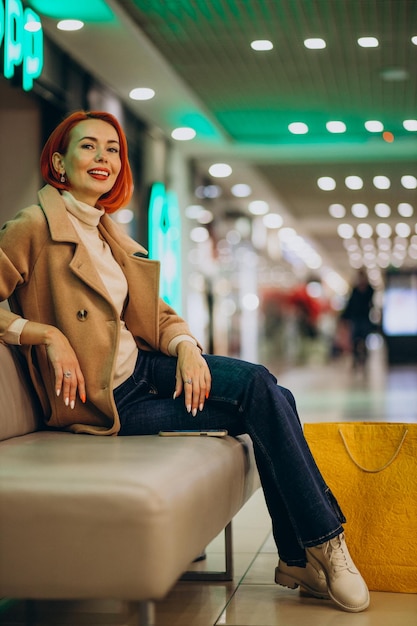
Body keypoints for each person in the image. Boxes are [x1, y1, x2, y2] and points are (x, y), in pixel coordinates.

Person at [0, 111, 369, 613]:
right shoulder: (33, 226)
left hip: (147, 371)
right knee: (266, 396)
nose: (103, 158)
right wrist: (43, 334)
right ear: (60, 162)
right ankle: (320, 544)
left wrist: (186, 348)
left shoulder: (111, 235)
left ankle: (307, 554)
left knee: (266, 392)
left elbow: (160, 317)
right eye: (89, 147)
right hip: (107, 403)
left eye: (112, 149)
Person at [341, 270, 375, 370]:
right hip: (356, 319)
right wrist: (344, 318)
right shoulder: (354, 290)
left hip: (364, 318)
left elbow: (371, 304)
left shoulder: (369, 290)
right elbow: (350, 305)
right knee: (355, 340)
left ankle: (364, 361)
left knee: (364, 340)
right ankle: (355, 360)